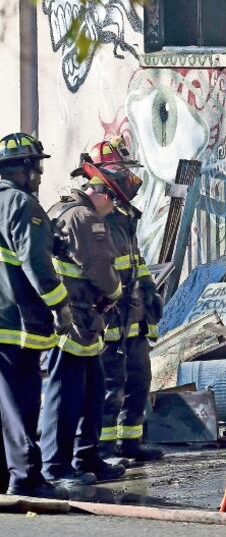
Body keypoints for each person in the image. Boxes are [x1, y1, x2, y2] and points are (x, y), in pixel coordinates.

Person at [41, 160, 131, 484]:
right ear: (102, 194)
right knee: (65, 395)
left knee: (91, 391)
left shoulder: (66, 210)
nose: (115, 208)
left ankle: (87, 458)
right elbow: (102, 271)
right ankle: (56, 467)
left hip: (83, 320)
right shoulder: (84, 217)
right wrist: (117, 291)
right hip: (73, 321)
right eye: (115, 200)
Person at [75, 139, 164, 463]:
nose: (127, 179)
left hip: (133, 314)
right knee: (111, 385)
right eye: (120, 172)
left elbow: (135, 260)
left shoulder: (123, 215)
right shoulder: (94, 216)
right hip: (111, 316)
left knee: (139, 380)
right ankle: (106, 449)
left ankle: (132, 441)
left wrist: (149, 288)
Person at [0, 133, 72, 498]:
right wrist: (61, 306)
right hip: (17, 323)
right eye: (37, 166)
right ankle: (27, 477)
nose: (41, 174)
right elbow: (37, 265)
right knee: (23, 403)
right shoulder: (22, 205)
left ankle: (6, 475)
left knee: (4, 406)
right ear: (23, 169)